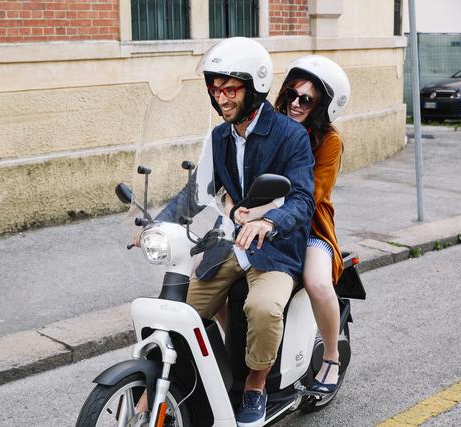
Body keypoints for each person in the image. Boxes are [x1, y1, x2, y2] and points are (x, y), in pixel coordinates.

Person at [150, 37, 315, 427]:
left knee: (263, 308)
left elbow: (302, 198)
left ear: (255, 87)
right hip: (228, 245)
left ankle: (255, 385)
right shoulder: (219, 137)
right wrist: (158, 224)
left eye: (230, 89)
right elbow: (197, 191)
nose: (221, 98)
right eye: (215, 89)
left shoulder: (290, 136)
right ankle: (162, 389)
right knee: (175, 311)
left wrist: (268, 222)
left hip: (273, 248)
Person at [232, 55, 351, 394]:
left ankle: (330, 357)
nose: (296, 104)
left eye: (307, 100)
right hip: (261, 223)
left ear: (322, 106)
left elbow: (312, 194)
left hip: (309, 229)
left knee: (317, 282)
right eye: (291, 94)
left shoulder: (330, 141)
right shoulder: (268, 126)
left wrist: (259, 213)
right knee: (215, 274)